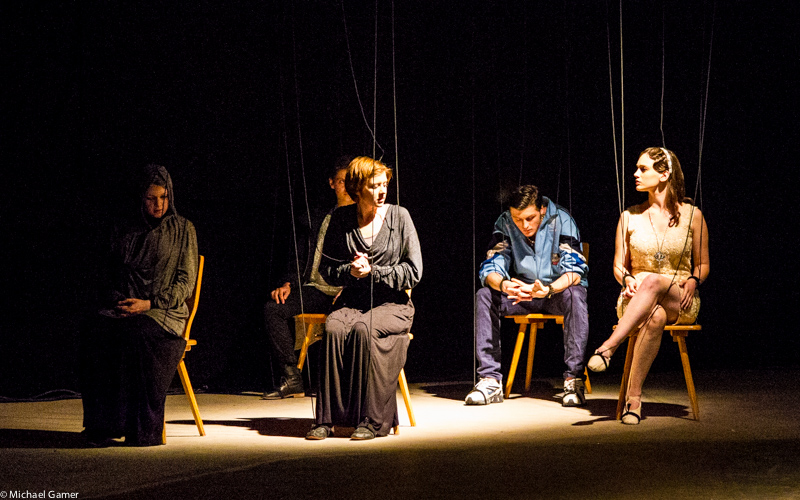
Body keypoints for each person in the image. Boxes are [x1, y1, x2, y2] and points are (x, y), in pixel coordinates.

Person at [587, 147, 709, 425]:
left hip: (680, 298)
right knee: (655, 316)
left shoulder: (693, 216)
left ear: (664, 174)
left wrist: (694, 279)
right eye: (637, 168)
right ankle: (634, 401)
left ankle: (609, 347)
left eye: (643, 169)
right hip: (636, 301)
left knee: (654, 281)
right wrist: (627, 279)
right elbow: (619, 266)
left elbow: (703, 264)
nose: (635, 174)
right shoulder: (629, 216)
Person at [80, 164, 198, 446]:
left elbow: (185, 282)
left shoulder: (183, 229)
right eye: (151, 198)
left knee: (136, 335)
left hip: (164, 313)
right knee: (95, 332)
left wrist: (149, 303)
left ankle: (143, 429)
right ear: (140, 198)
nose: (158, 205)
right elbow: (109, 273)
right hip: (128, 307)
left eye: (164, 197)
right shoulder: (125, 229)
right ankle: (103, 426)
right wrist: (119, 300)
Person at [306, 156, 422, 440]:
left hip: (393, 303)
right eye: (374, 186)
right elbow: (327, 269)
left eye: (384, 184)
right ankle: (327, 420)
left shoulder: (400, 217)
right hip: (353, 301)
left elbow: (413, 272)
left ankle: (372, 420)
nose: (382, 191)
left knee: (363, 329)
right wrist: (350, 271)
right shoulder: (341, 219)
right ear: (357, 190)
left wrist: (375, 272)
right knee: (333, 327)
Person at [467, 185, 589, 407]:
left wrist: (549, 289)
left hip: (555, 292)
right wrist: (504, 285)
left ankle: (573, 379)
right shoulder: (505, 222)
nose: (524, 225)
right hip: (523, 293)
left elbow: (575, 270)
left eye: (530, 218)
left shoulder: (562, 219)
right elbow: (492, 263)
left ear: (542, 209)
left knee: (575, 294)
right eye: (518, 219)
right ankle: (490, 380)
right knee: (485, 295)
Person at [262, 157, 354, 399]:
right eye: (342, 181)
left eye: (351, 182)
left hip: (346, 291)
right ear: (332, 183)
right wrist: (288, 283)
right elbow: (299, 256)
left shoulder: (362, 216)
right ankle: (292, 377)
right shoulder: (318, 217)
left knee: (341, 324)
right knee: (273, 308)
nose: (347, 187)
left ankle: (341, 385)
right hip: (316, 289)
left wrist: (350, 288)